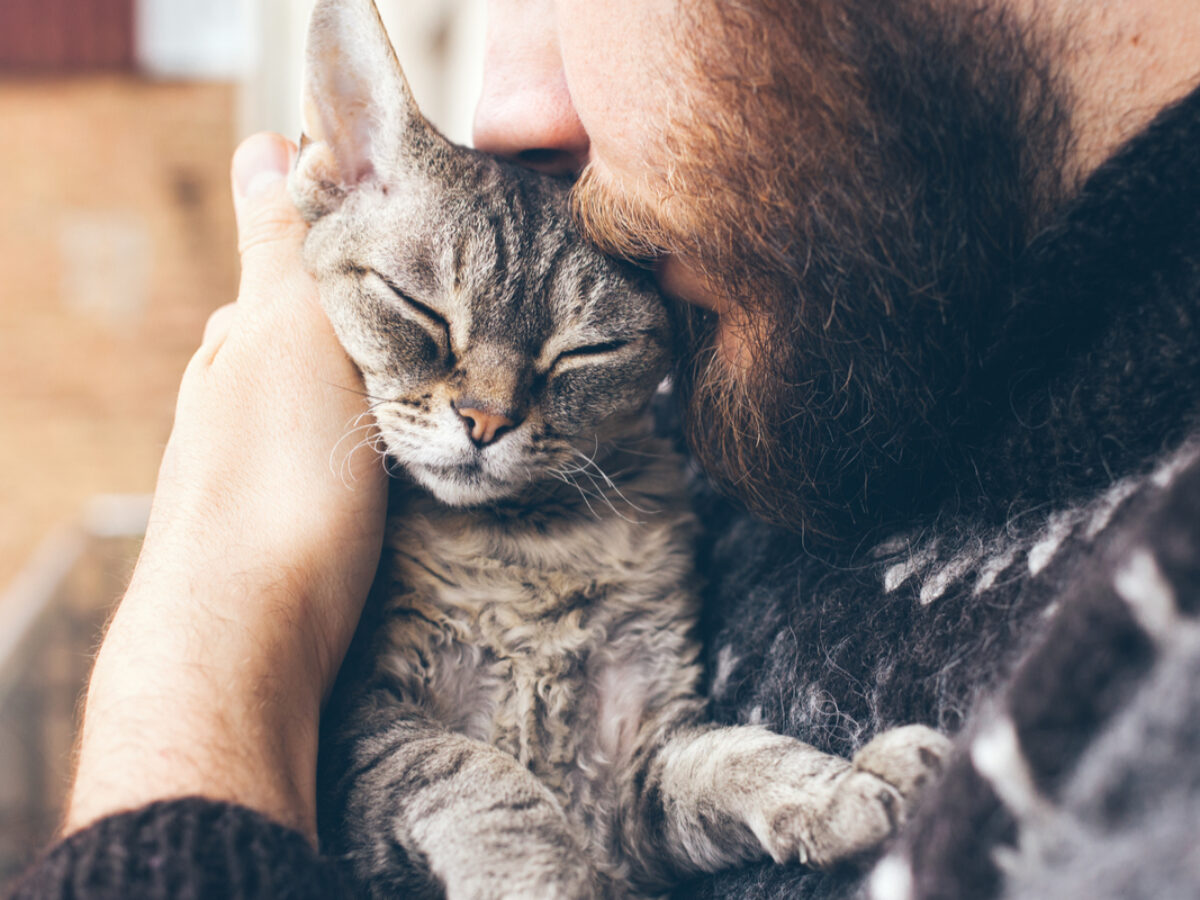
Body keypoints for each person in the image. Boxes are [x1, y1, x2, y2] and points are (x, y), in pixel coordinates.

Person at [11, 0, 1200, 898]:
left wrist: (193, 655)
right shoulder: (758, 340)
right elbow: (632, 783)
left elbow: (635, 774)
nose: (513, 112)